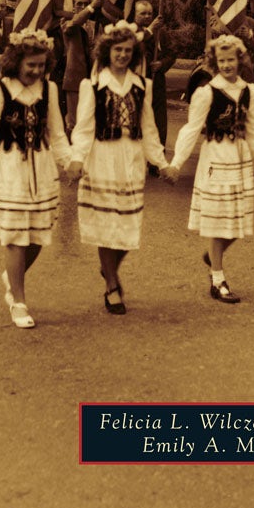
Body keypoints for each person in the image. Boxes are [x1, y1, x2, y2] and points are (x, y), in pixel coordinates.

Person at [0, 29, 72, 328]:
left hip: (42, 169)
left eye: (41, 65)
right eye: (30, 65)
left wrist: (70, 162)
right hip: (9, 170)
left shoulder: (48, 90)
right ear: (15, 62)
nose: (36, 71)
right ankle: (18, 301)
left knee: (38, 237)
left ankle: (12, 275)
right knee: (15, 238)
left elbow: (58, 134)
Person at [68, 20, 171, 315]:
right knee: (105, 226)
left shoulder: (142, 86)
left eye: (128, 50)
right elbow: (84, 127)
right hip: (102, 159)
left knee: (127, 227)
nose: (123, 55)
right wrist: (77, 158)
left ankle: (109, 267)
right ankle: (112, 284)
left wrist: (161, 163)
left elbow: (149, 128)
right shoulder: (94, 85)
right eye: (117, 50)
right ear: (107, 51)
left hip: (131, 159)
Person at [166, 35, 254, 305]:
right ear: (215, 63)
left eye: (231, 60)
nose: (227, 65)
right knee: (218, 223)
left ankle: (213, 255)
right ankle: (218, 278)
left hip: (240, 161)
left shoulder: (249, 90)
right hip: (216, 159)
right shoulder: (207, 92)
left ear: (240, 60)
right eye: (222, 60)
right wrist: (176, 163)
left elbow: (252, 130)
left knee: (236, 225)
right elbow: (191, 128)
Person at [132, 0, 177, 169]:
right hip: (138, 81)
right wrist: (150, 29)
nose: (147, 16)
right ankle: (135, 158)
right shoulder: (131, 31)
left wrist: (162, 64)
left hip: (156, 81)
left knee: (159, 122)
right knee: (137, 120)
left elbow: (172, 53)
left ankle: (156, 162)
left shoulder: (161, 32)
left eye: (150, 13)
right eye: (142, 13)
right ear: (135, 15)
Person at [61, 0, 104, 135]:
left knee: (91, 120)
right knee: (73, 122)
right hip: (75, 79)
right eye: (79, 4)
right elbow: (74, 24)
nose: (82, 6)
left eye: (86, 3)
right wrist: (91, 7)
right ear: (73, 7)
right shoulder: (67, 23)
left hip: (94, 78)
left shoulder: (96, 26)